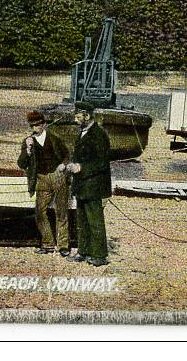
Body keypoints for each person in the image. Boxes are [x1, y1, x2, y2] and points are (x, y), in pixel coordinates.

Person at [16, 110, 72, 256]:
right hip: (41, 178)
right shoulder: (28, 141)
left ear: (44, 125)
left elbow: (67, 154)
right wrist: (27, 150)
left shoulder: (54, 138)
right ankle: (48, 244)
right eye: (32, 126)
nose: (35, 128)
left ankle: (63, 246)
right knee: (40, 212)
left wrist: (63, 165)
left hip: (57, 175)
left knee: (61, 211)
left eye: (38, 125)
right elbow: (21, 164)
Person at [66, 101, 112, 266]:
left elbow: (102, 163)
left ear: (87, 116)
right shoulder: (83, 132)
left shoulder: (99, 135)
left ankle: (99, 255)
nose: (75, 119)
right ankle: (84, 251)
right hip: (83, 185)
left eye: (78, 116)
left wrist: (80, 167)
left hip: (94, 185)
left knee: (95, 220)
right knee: (82, 220)